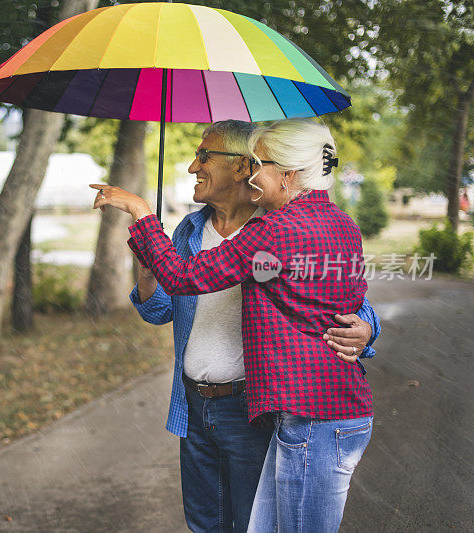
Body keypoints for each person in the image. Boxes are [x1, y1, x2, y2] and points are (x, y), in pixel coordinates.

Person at [92, 119, 377, 532]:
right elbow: (322, 294)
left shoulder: (274, 229)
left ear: (280, 172)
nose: (193, 167)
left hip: (274, 410)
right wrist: (151, 265)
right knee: (223, 523)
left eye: (205, 155)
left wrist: (141, 215)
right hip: (231, 405)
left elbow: (182, 277)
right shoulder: (331, 222)